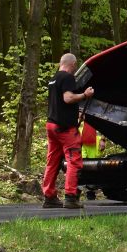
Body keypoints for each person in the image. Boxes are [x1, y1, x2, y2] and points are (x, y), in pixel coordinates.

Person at [42, 53, 94, 209]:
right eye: (75, 66)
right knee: (74, 160)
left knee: (53, 161)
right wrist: (85, 95)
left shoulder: (53, 79)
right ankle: (71, 197)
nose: (75, 69)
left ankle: (49, 196)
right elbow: (68, 98)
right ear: (73, 64)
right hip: (65, 129)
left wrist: (76, 113)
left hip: (52, 125)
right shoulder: (68, 78)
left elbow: (60, 103)